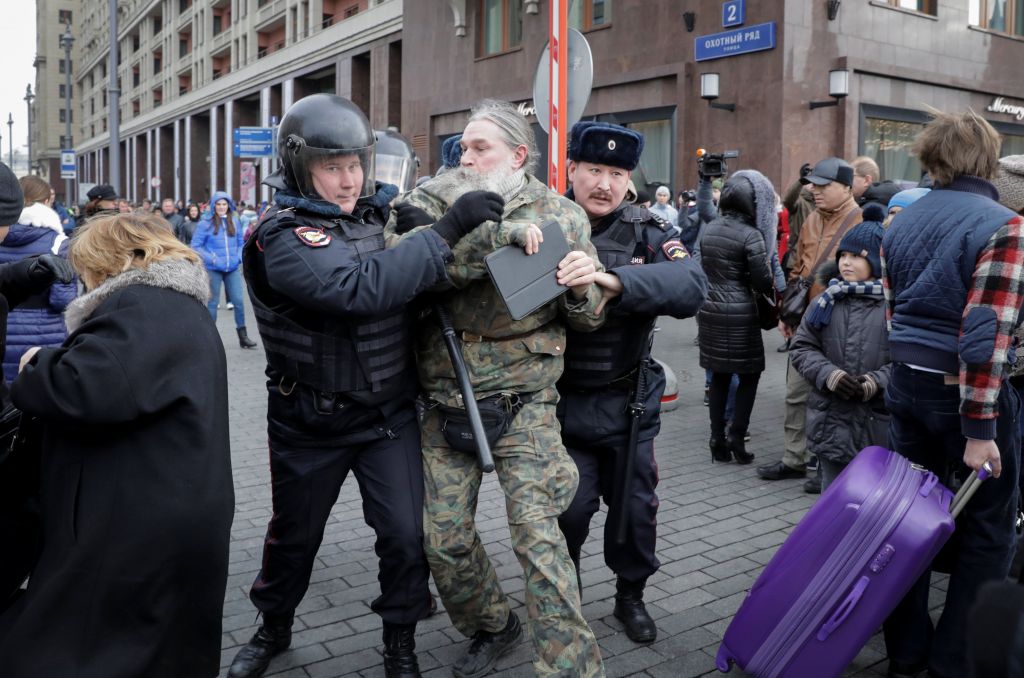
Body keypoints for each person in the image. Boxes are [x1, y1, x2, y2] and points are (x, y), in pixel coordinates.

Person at [229, 94, 481, 678]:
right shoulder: (282, 236)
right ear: (299, 167)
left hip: (386, 416)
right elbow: (357, 289)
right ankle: (273, 625)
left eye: (356, 165)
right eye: (332, 167)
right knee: (294, 537)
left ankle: (400, 642)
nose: (349, 181)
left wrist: (421, 234)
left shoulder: (375, 217)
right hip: (309, 421)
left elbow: (417, 282)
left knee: (404, 536)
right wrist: (441, 233)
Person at [390, 98, 607, 678]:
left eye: (480, 145)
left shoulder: (561, 214)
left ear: (518, 154)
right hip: (444, 397)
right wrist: (484, 234)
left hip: (525, 398)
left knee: (539, 541)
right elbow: (400, 264)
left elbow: (585, 319)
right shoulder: (429, 200)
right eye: (463, 144)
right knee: (444, 541)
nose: (466, 154)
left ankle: (572, 668)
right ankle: (492, 623)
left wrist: (583, 287)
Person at [0, 212, 234, 678]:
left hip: (141, 519)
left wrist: (36, 363)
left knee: (88, 640)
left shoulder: (143, 304)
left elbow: (89, 386)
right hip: (174, 500)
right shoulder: (175, 304)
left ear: (108, 262)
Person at [879, 110, 1023, 678]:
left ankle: (906, 654)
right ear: (988, 158)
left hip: (906, 384)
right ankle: (954, 663)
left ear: (930, 156)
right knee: (988, 536)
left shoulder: (902, 219)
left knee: (911, 521)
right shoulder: (1005, 225)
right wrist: (980, 430)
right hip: (966, 395)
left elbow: (893, 314)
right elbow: (987, 335)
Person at [556, 121, 707, 645]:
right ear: (571, 169)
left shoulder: (648, 232)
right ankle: (563, 596)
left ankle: (630, 597)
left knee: (635, 510)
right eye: (594, 169)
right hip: (558, 406)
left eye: (616, 173)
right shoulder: (546, 224)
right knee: (568, 510)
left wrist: (614, 280)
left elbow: (691, 286)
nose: (604, 183)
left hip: (628, 406)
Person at [759, 157, 862, 494]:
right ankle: (794, 458)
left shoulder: (860, 221)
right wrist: (789, 314)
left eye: (824, 185)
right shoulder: (812, 219)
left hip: (843, 322)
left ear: (847, 187)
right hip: (805, 321)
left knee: (831, 397)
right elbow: (797, 264)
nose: (814, 191)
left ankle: (823, 463)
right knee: (795, 393)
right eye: (813, 184)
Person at [788, 206, 890, 492]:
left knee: (870, 503)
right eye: (843, 255)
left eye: (857, 256)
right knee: (832, 501)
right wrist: (829, 375)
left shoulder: (893, 306)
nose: (846, 262)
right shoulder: (826, 300)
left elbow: (903, 361)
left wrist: (874, 382)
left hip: (875, 425)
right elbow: (802, 347)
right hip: (831, 421)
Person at [698, 170, 777, 465]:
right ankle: (737, 437)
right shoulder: (751, 234)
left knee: (718, 375)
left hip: (710, 309)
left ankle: (716, 438)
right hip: (741, 312)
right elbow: (762, 280)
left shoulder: (711, 228)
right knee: (749, 374)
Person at [0, 177, 76, 382]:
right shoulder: (58, 242)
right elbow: (62, 300)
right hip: (45, 333)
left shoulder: (3, 233)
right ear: (45, 203)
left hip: (4, 329)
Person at [189, 191, 258, 349]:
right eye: (218, 204)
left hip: (232, 268)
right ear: (214, 205)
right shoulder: (206, 223)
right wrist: (212, 258)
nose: (221, 207)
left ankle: (243, 336)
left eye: (224, 204)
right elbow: (196, 246)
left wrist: (238, 257)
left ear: (228, 206)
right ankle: (209, 338)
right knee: (212, 304)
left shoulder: (234, 219)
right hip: (214, 269)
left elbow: (241, 242)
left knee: (239, 302)